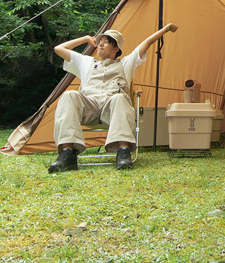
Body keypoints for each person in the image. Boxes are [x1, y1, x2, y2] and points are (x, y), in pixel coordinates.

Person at [48, 23, 178, 173]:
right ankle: (67, 154)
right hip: (88, 109)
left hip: (111, 112)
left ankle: (123, 151)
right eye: (100, 41)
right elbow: (59, 49)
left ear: (116, 49)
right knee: (69, 95)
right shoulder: (87, 62)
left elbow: (147, 42)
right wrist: (84, 39)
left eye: (106, 41)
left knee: (119, 98)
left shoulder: (126, 63)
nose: (100, 44)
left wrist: (166, 28)